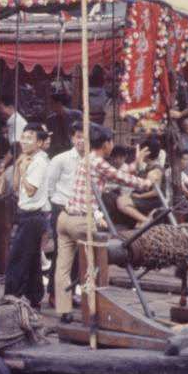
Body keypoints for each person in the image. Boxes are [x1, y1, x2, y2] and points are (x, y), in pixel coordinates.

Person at [55, 125, 153, 321]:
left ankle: (64, 311)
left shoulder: (86, 160)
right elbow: (121, 178)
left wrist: (135, 167)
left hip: (65, 218)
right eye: (111, 142)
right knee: (95, 264)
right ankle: (93, 309)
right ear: (107, 143)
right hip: (82, 222)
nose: (112, 146)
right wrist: (147, 183)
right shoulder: (98, 163)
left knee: (62, 268)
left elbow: (110, 177)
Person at [4, 123, 50, 309]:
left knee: (17, 258)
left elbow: (30, 190)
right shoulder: (28, 159)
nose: (24, 141)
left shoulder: (39, 161)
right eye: (23, 137)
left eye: (30, 138)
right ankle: (35, 296)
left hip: (33, 216)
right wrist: (19, 165)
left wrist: (23, 169)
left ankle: (10, 297)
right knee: (31, 260)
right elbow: (16, 187)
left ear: (39, 142)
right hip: (26, 215)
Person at [45, 126, 84, 306]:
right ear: (72, 138)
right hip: (61, 208)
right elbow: (50, 186)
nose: (81, 141)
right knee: (62, 254)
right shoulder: (61, 159)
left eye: (85, 138)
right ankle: (54, 294)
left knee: (78, 255)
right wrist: (57, 205)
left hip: (82, 211)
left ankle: (69, 292)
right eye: (78, 137)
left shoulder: (92, 161)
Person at [45, 89, 82, 157]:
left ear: (59, 103)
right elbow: (51, 136)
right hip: (58, 150)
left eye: (51, 103)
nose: (50, 106)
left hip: (74, 147)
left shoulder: (76, 115)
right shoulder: (50, 120)